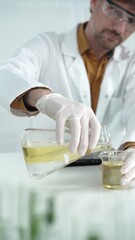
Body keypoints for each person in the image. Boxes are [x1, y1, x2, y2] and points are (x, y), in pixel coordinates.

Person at [0, 0, 135, 187]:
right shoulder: (47, 46)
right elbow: (5, 74)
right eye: (113, 10)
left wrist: (133, 147)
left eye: (132, 20)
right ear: (94, 3)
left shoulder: (131, 64)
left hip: (105, 179)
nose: (120, 28)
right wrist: (47, 100)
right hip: (49, 175)